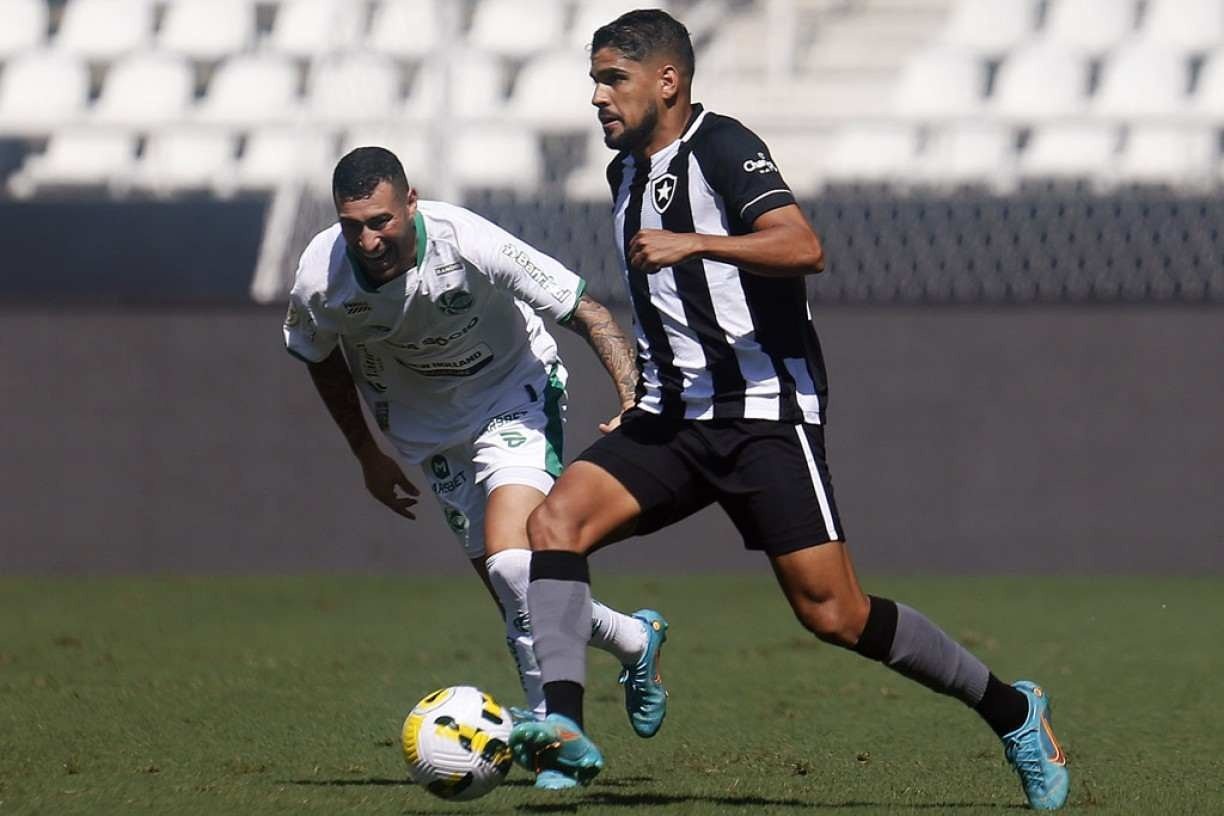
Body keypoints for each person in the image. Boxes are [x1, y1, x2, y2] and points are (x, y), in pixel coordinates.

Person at [508, 9, 1069, 810]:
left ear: (667, 81)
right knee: (553, 524)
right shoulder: (623, 172)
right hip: (672, 419)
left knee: (835, 614)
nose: (597, 96)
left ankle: (1013, 711)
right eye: (595, 80)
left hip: (764, 417)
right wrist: (637, 390)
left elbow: (803, 246)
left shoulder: (725, 146)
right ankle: (561, 726)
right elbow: (668, 306)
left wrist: (697, 241)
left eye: (612, 79)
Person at [283, 146, 669, 790]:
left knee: (514, 561)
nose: (369, 239)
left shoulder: (466, 239)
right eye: (353, 225)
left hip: (513, 398)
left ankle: (553, 732)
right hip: (428, 433)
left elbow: (586, 309)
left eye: (381, 220)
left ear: (411, 203)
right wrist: (366, 455)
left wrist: (634, 399)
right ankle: (631, 638)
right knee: (510, 591)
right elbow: (317, 354)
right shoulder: (320, 277)